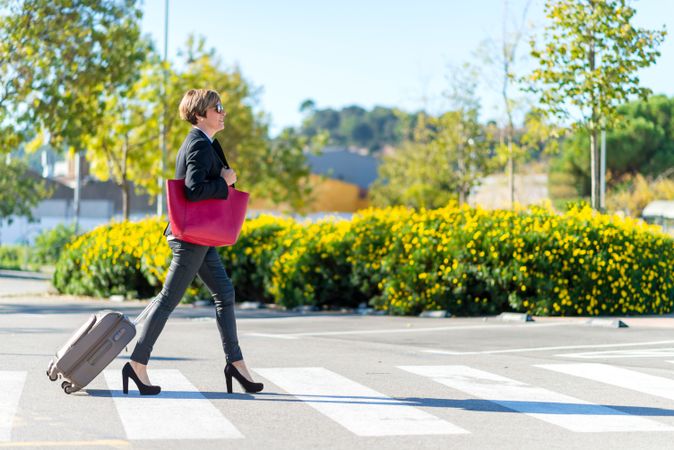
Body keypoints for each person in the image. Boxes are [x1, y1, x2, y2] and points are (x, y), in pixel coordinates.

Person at [122, 88, 263, 395]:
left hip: (200, 235)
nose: (223, 112)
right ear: (200, 114)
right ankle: (136, 364)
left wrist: (225, 180)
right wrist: (224, 183)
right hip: (190, 238)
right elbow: (193, 189)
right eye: (217, 107)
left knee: (224, 293)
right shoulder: (198, 144)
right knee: (168, 300)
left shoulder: (208, 143)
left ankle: (235, 364)